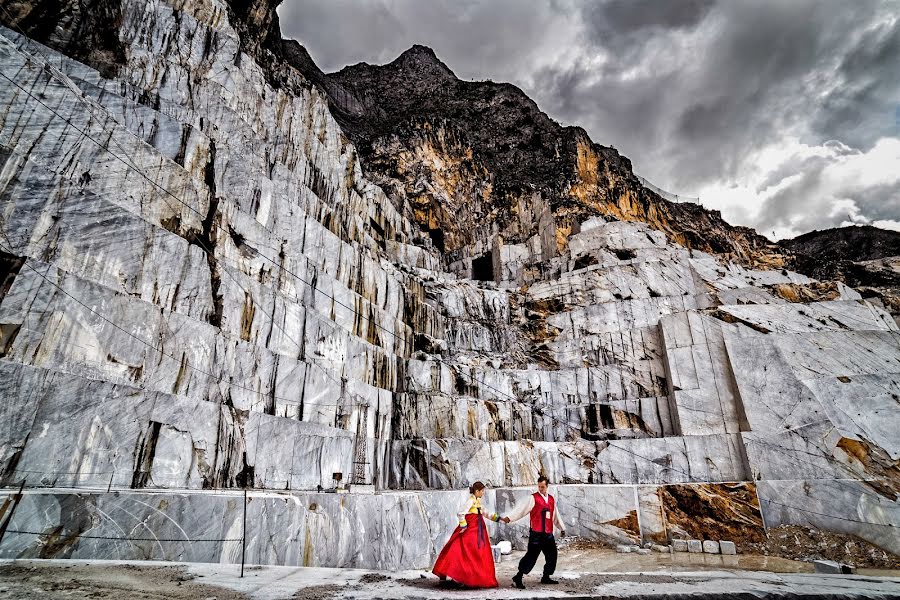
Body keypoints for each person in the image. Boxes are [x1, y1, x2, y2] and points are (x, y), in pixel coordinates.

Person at [432, 481, 504, 588]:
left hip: (478, 530)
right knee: (466, 551)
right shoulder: (470, 501)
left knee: (477, 552)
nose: (483, 493)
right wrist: (463, 525)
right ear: (477, 491)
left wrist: (498, 518)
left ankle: (474, 577)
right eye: (482, 491)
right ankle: (464, 576)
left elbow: (485, 512)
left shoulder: (477, 501)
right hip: (470, 529)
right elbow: (461, 513)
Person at [503, 475, 566, 589]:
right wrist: (510, 518)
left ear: (547, 487)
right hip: (536, 534)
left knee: (552, 555)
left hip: (548, 533)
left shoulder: (551, 499)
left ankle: (546, 576)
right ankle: (518, 577)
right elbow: (521, 510)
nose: (540, 489)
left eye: (542, 487)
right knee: (530, 557)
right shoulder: (533, 498)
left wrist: (562, 528)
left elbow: (555, 515)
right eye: (539, 487)